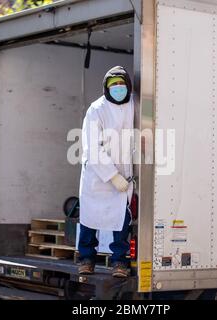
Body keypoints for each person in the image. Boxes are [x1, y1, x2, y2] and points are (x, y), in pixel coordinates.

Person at [78, 66, 134, 278]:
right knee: (90, 218)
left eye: (121, 84)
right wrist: (112, 175)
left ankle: (119, 262)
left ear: (128, 86)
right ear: (106, 88)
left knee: (121, 220)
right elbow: (92, 147)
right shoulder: (96, 109)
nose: (118, 88)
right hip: (97, 176)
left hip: (124, 173)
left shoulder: (133, 104)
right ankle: (86, 259)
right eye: (113, 85)